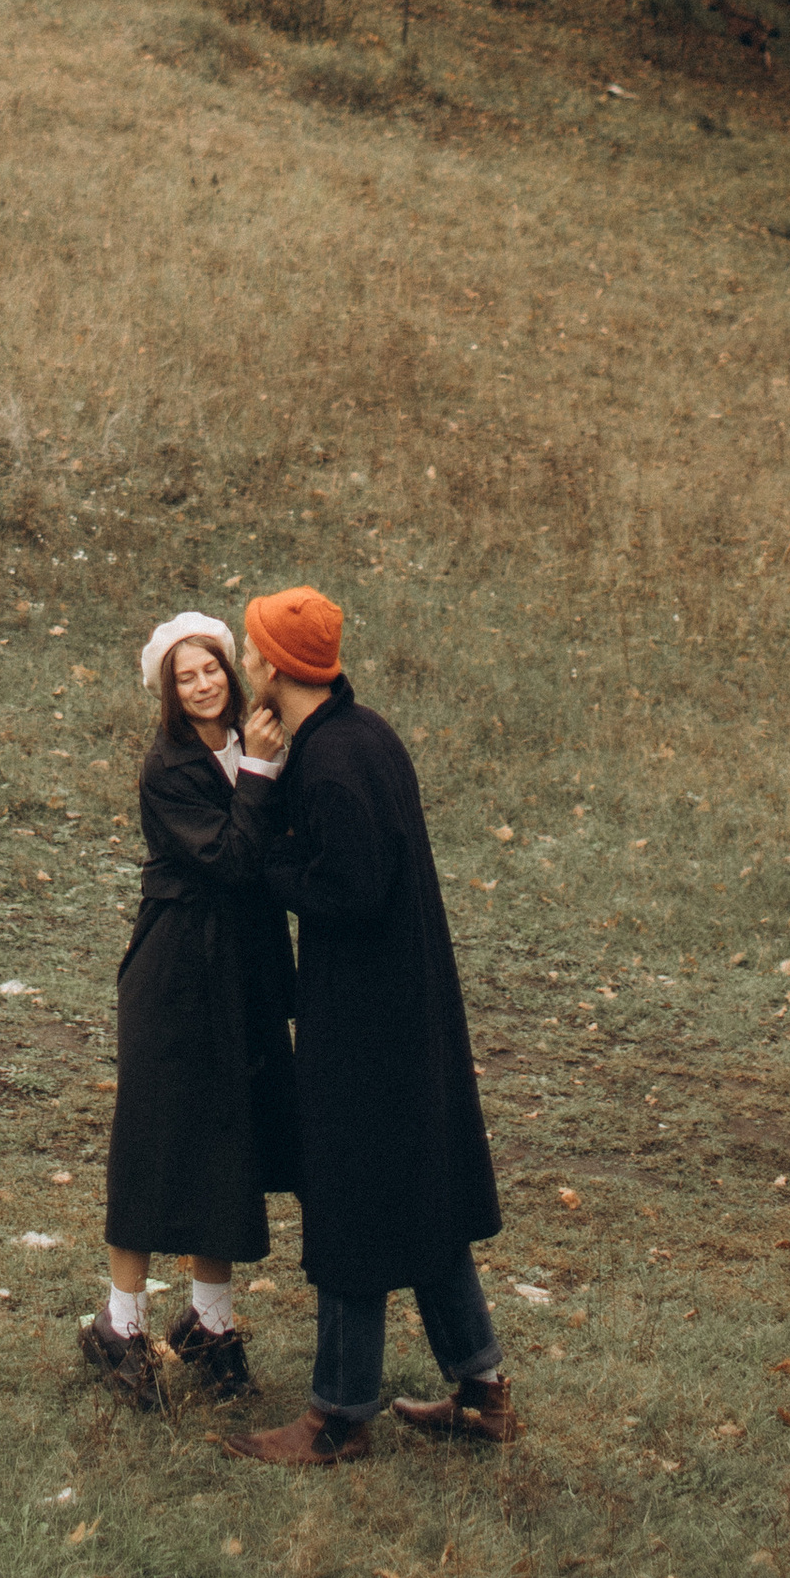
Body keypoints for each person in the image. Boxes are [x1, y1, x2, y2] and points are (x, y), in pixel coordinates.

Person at [223, 582, 516, 1466]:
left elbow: (349, 891)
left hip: (364, 1024)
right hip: (406, 1009)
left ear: (275, 668)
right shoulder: (364, 734)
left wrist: (270, 856)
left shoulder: (333, 762)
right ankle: (483, 1392)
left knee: (350, 1201)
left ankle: (338, 1417)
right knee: (421, 1193)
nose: (244, 662)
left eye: (251, 650)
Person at [78, 611, 300, 1407]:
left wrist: (265, 765)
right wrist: (262, 773)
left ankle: (211, 1324)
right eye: (186, 676)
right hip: (176, 967)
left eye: (211, 669)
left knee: (227, 1141)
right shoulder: (168, 768)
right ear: (168, 692)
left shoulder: (253, 740)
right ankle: (121, 1326)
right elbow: (234, 859)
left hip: (238, 972)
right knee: (154, 1140)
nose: (203, 685)